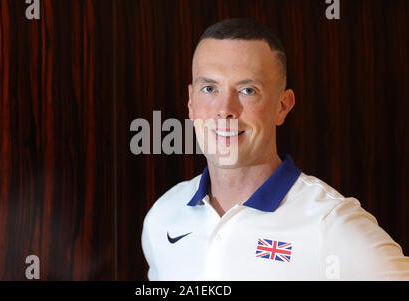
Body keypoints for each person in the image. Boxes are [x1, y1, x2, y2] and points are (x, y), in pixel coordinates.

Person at [141, 18, 409, 280]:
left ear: (282, 106)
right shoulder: (163, 215)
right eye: (209, 88)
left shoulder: (330, 223)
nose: (225, 110)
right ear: (190, 102)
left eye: (247, 90)